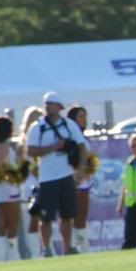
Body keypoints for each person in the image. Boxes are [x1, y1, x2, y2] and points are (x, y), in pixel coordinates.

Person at [25, 92, 88, 255]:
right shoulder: (37, 127)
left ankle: (68, 247)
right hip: (47, 178)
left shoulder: (69, 125)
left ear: (59, 107)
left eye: (51, 103)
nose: (47, 106)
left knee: (68, 215)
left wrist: (80, 170)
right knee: (46, 218)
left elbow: (82, 147)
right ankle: (47, 248)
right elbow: (30, 151)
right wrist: (54, 147)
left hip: (66, 175)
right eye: (46, 103)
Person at [0, 116, 23, 262]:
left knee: (3, 222)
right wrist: (10, 176)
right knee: (12, 222)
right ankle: (12, 254)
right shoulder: (3, 146)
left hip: (1, 188)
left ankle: (2, 256)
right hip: (7, 187)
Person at [67, 105, 93, 253]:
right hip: (74, 179)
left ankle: (82, 246)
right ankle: (77, 247)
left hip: (84, 180)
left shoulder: (83, 137)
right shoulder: (71, 138)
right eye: (81, 116)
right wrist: (77, 173)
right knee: (74, 215)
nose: (84, 120)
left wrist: (89, 170)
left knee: (82, 214)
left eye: (85, 116)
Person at [19, 106, 44, 259]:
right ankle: (35, 251)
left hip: (38, 180)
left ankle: (42, 248)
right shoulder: (27, 143)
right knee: (34, 217)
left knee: (43, 218)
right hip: (32, 183)